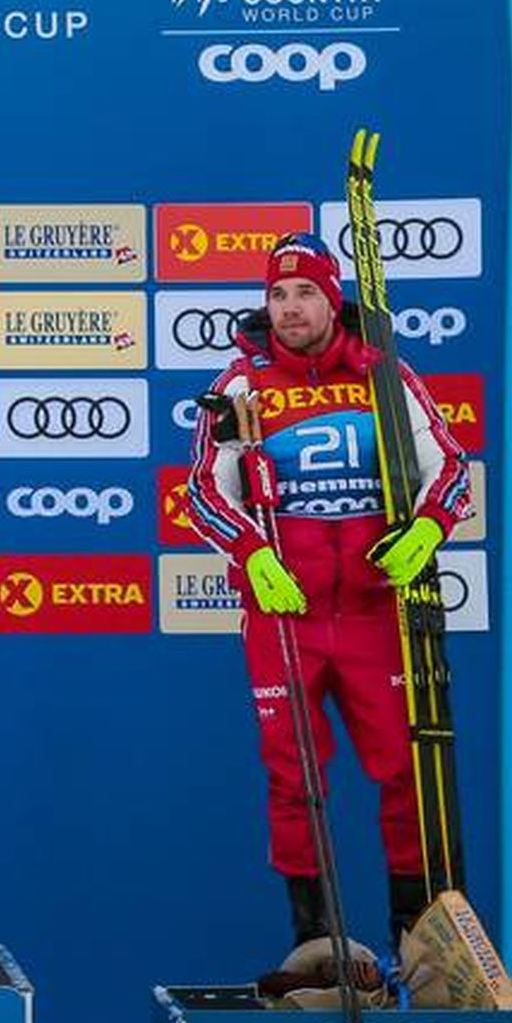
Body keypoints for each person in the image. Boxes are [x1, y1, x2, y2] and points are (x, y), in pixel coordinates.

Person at [184, 231, 470, 949]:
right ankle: (315, 942)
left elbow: (451, 468)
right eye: (276, 296)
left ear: (332, 297)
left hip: (376, 615)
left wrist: (427, 530)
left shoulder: (384, 377)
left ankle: (417, 935)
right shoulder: (240, 386)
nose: (288, 309)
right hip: (287, 618)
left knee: (407, 771)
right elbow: (203, 493)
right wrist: (253, 556)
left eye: (304, 292)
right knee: (295, 777)